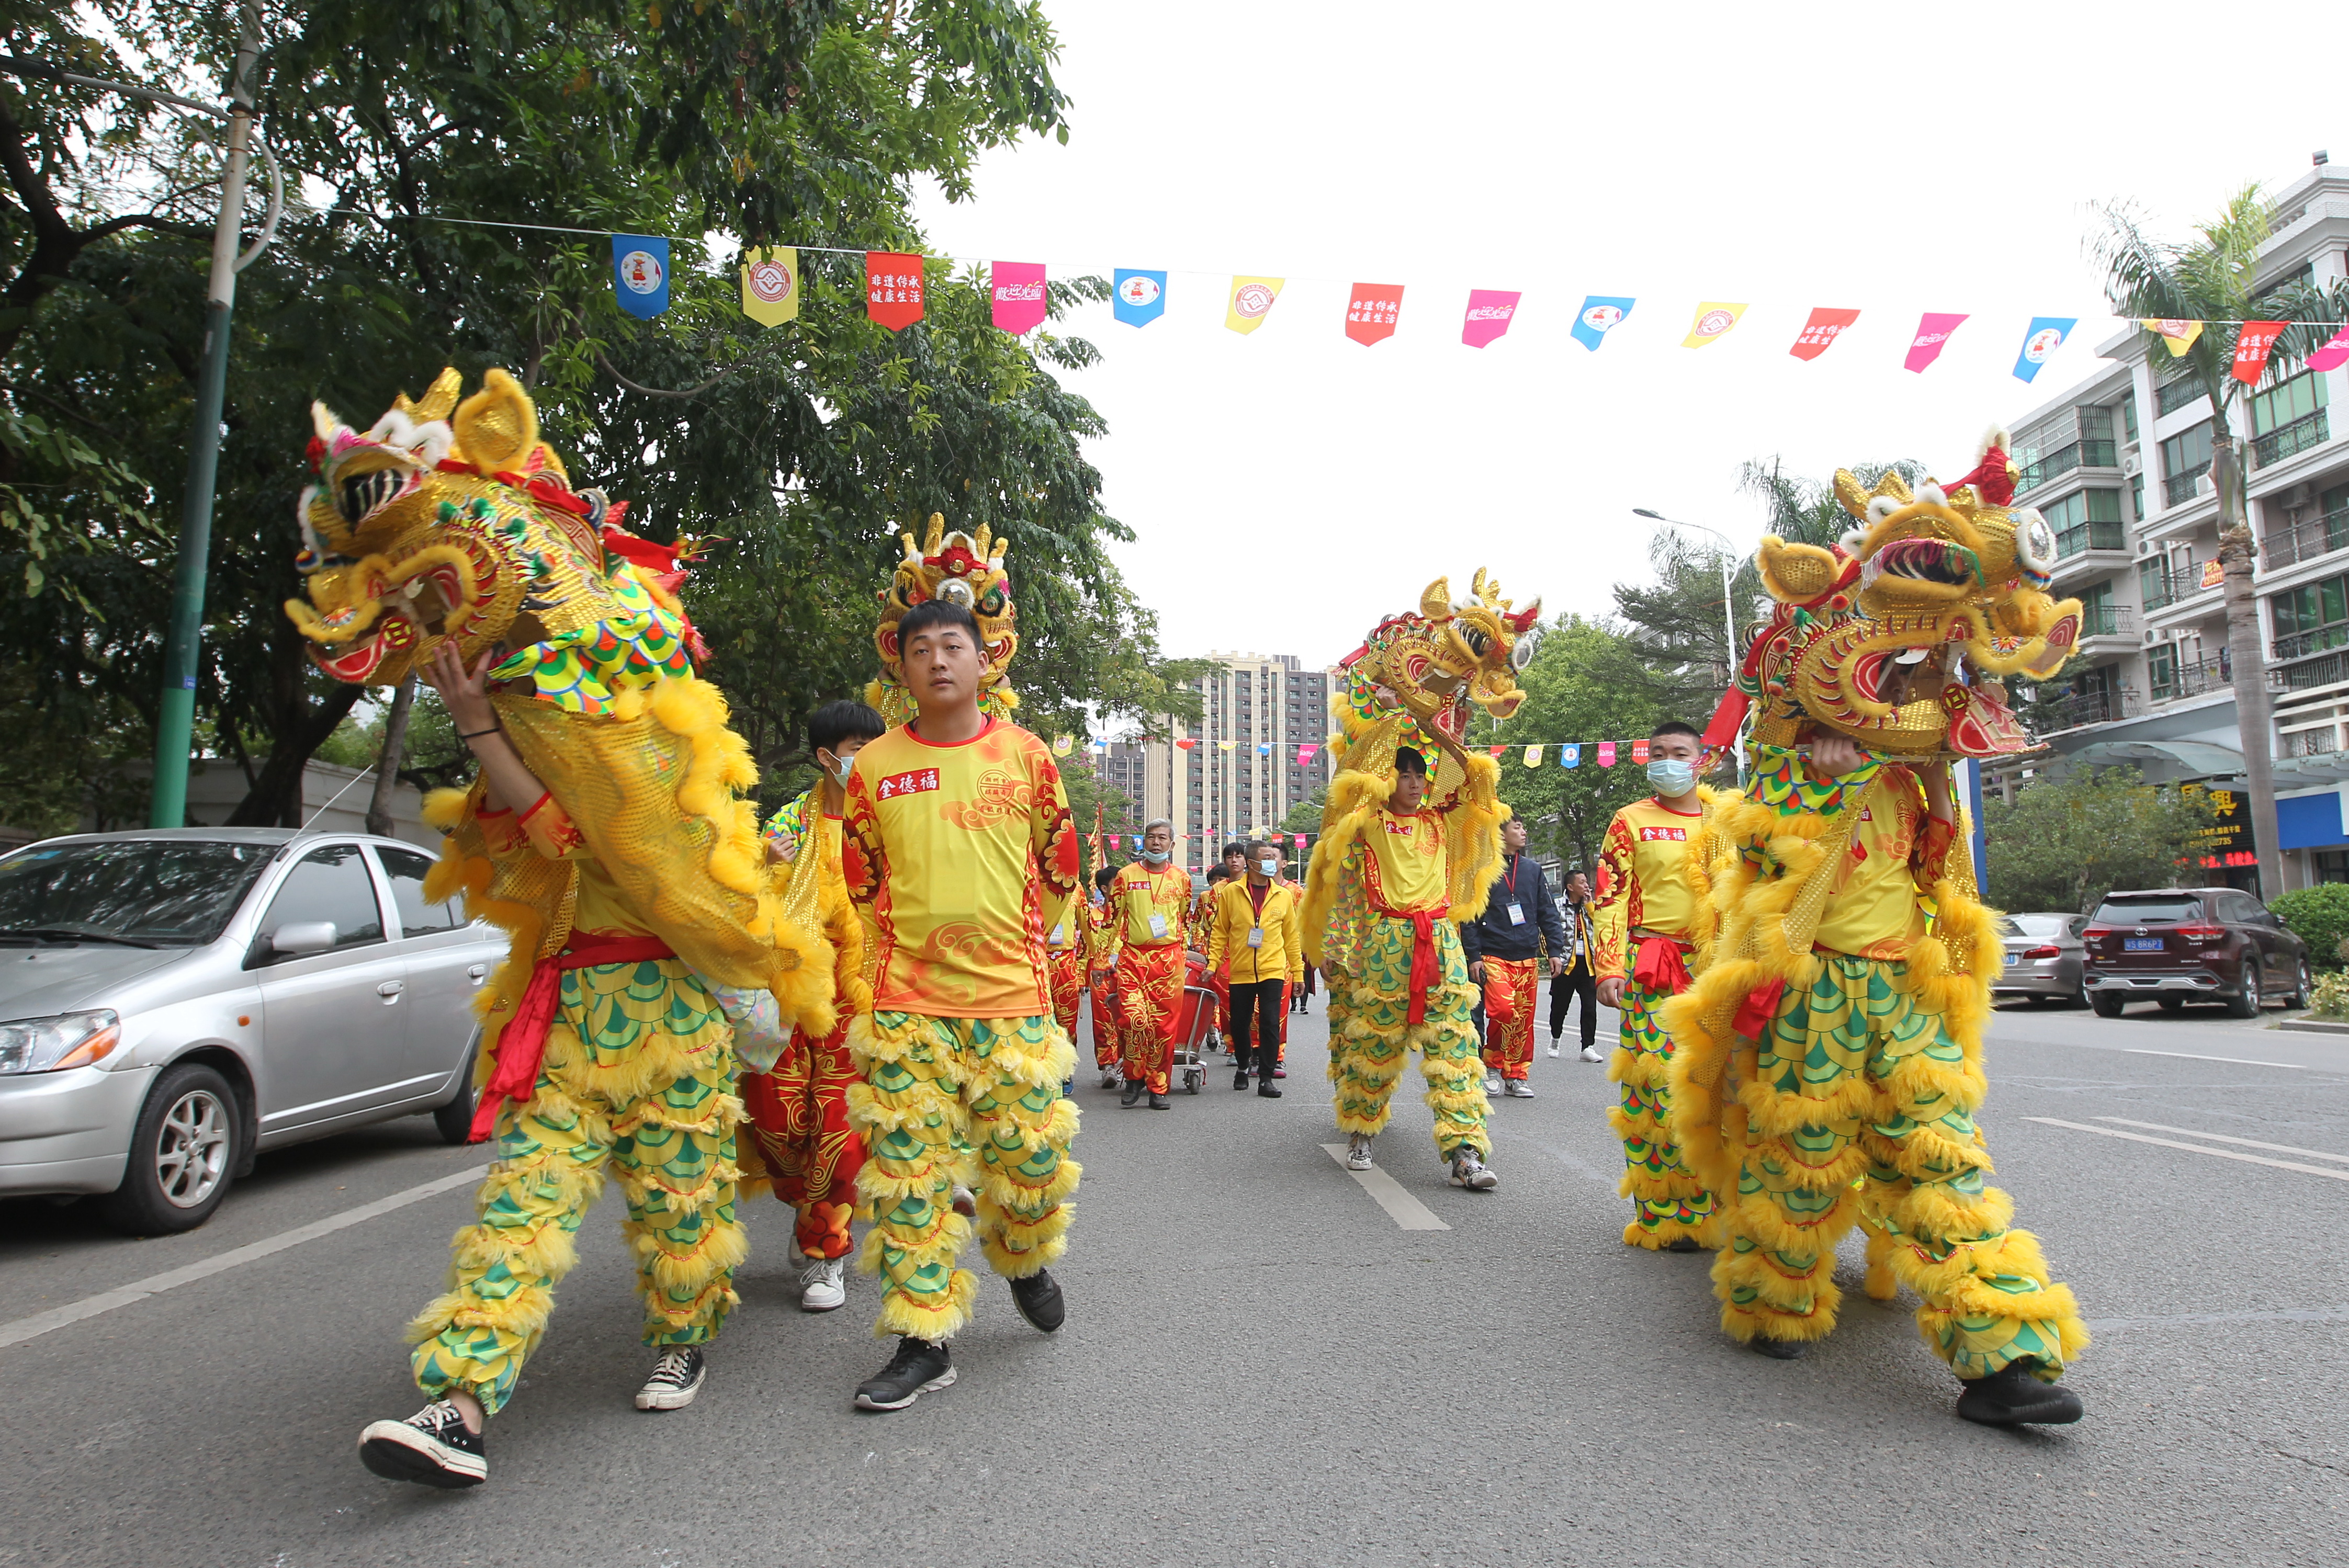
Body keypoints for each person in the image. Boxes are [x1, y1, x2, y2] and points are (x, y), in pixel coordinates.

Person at [835, 597, 1082, 1411]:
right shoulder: (872, 766)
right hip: (907, 1006)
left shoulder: (1027, 756)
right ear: (898, 667)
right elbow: (862, 879)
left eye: (953, 645)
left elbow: (1060, 866)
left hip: (1012, 1002)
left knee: (1031, 1171)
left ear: (986, 660)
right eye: (919, 649)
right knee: (909, 1180)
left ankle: (1021, 1251)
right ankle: (924, 1339)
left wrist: (1013, 943)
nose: (937, 660)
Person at [740, 699, 887, 1314]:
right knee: (775, 1124)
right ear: (828, 758)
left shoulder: (884, 827)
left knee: (839, 1131)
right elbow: (743, 896)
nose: (869, 762)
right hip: (788, 998)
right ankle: (810, 1206)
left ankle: (825, 1250)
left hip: (855, 1003)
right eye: (858, 750)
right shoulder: (787, 827)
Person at [1307, 745, 1500, 1189]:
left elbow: (1481, 793)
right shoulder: (1367, 824)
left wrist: (1446, 729)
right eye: (1404, 775)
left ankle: (1465, 1154)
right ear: (1386, 779)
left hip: (1442, 944)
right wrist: (1335, 948)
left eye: (1420, 775)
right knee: (1374, 1045)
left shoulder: (1442, 821)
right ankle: (1361, 1133)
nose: (1414, 784)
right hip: (1385, 947)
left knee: (1455, 1052)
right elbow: (1342, 869)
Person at [1591, 721, 1721, 1253]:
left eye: (1679, 753)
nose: (1667, 761)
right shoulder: (1630, 821)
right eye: (1658, 753)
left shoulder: (1726, 822)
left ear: (1701, 760)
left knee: (1717, 1088)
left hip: (1717, 971)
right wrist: (1607, 966)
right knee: (1656, 1088)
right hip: (1651, 966)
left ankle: (1719, 1204)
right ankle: (1664, 1209)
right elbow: (1610, 895)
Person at [1460, 816, 1565, 1099]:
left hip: (1527, 956)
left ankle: (1517, 1074)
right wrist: (1473, 956)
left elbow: (1547, 913)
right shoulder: (1482, 869)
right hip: (1493, 954)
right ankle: (1493, 1065)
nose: (1524, 832)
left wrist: (1554, 950)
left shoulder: (1533, 870)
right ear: (1501, 833)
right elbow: (1469, 917)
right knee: (1503, 1011)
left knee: (1524, 1018)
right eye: (1517, 827)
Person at [1102, 819, 1193, 1108]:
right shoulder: (1126, 876)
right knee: (1133, 1019)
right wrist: (1100, 959)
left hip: (1169, 961)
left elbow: (1184, 921)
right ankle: (1133, 1077)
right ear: (1144, 842)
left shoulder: (1182, 879)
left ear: (1172, 844)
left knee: (1164, 1027)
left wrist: (1186, 955)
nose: (1156, 843)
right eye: (1151, 838)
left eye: (1163, 838)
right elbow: (1111, 920)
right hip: (1133, 958)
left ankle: (1159, 1087)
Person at [1205, 839, 1303, 1096]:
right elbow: (1220, 931)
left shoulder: (1284, 896)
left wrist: (1299, 971)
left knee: (1270, 1022)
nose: (1273, 862)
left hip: (1273, 969)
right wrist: (1213, 963)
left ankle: (1266, 1078)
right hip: (1241, 970)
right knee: (1240, 1022)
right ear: (1252, 863)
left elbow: (1292, 937)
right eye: (1267, 858)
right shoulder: (1231, 893)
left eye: (1274, 857)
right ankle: (1242, 1065)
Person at [1548, 869, 1600, 1061]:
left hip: (1588, 965)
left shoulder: (1592, 906)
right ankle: (1555, 1037)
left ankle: (1588, 1046)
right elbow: (1549, 931)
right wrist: (1552, 957)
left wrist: (1590, 906)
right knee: (1559, 1007)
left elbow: (1602, 927)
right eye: (1582, 882)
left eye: (1587, 882)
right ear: (1570, 887)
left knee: (1589, 1007)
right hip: (1565, 965)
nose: (1586, 886)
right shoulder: (1558, 906)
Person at [1085, 865, 1123, 1088]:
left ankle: (1131, 1063)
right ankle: (1108, 1065)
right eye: (1116, 884)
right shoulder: (1093, 915)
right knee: (1103, 1020)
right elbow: (1084, 945)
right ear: (1104, 888)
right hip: (1101, 973)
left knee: (1129, 1018)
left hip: (1129, 970)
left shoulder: (1131, 912)